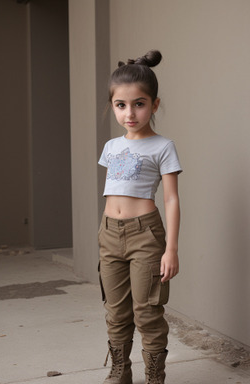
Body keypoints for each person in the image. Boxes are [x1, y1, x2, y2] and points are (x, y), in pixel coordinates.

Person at [98, 50, 182, 384]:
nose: (130, 113)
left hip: (145, 235)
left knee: (147, 311)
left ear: (155, 105)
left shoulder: (163, 146)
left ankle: (154, 376)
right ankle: (120, 371)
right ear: (113, 105)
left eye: (139, 104)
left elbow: (172, 198)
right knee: (116, 311)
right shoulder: (110, 147)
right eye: (121, 105)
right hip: (108, 233)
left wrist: (171, 249)